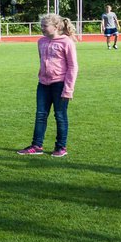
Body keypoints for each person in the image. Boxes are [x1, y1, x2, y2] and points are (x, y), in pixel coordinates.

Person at [18, 14, 78, 157]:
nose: (42, 28)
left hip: (60, 84)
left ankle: (61, 147)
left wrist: (68, 89)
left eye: (45, 26)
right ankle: (37, 145)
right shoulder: (41, 42)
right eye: (42, 25)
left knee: (60, 116)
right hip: (43, 84)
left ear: (56, 27)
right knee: (40, 115)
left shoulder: (66, 42)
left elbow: (73, 67)